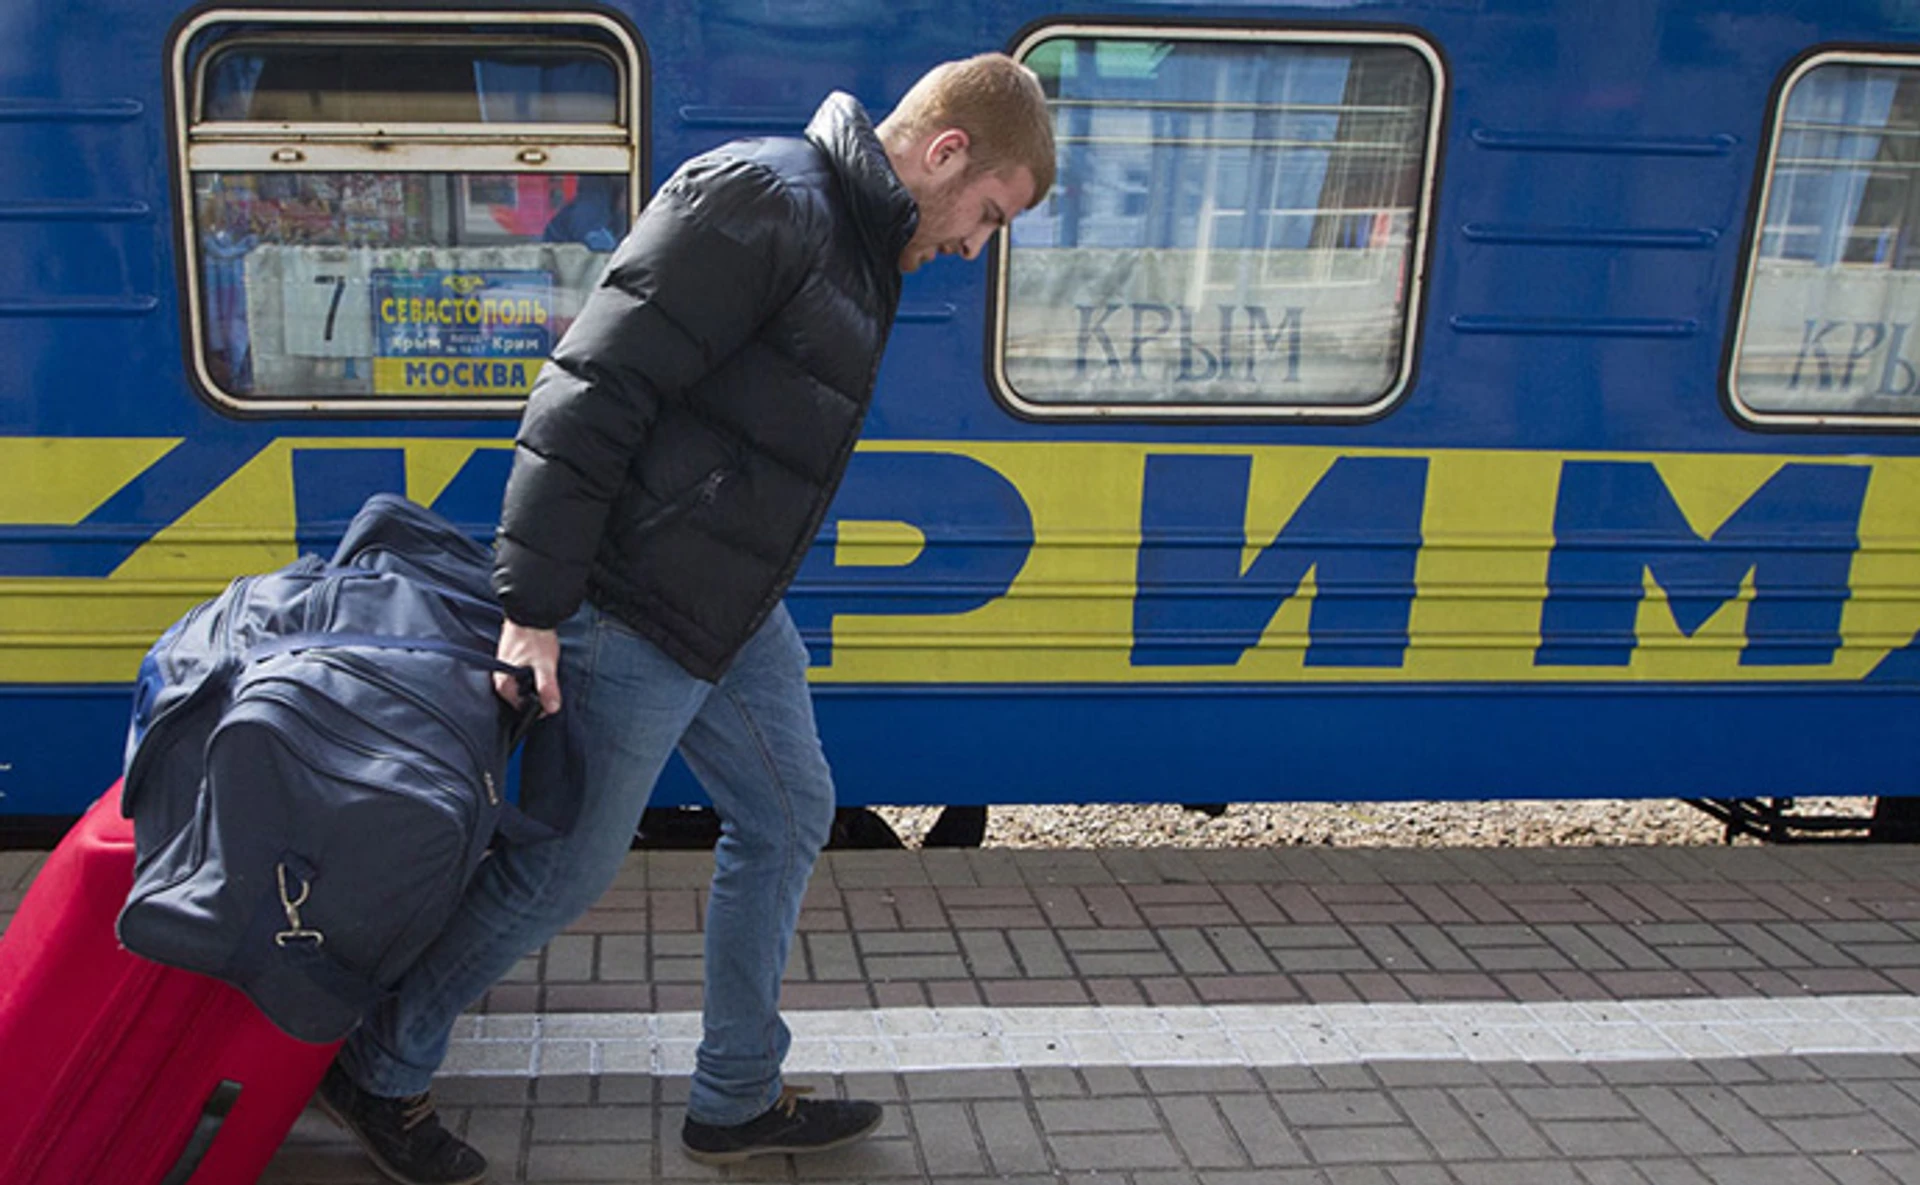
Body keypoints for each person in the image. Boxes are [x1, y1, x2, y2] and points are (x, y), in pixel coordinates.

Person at [313, 53, 1055, 1185]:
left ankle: (737, 1096)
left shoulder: (855, 241)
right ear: (947, 151)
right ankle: (379, 1066)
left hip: (730, 606)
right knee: (563, 869)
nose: (973, 244)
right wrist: (535, 608)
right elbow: (590, 388)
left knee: (792, 807)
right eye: (987, 214)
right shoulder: (764, 199)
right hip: (630, 601)